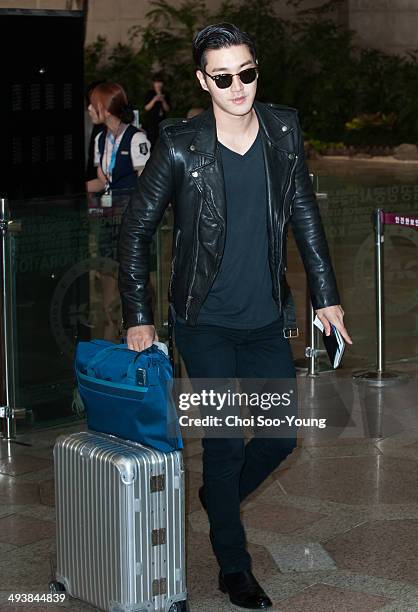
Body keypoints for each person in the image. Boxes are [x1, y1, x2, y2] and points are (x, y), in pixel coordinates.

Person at [118, 23, 352, 610]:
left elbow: (303, 214)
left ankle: (216, 498)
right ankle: (233, 567)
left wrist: (326, 294)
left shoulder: (282, 129)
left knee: (279, 438)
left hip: (267, 317)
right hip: (205, 322)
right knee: (223, 446)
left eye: (246, 72)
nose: (238, 86)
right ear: (203, 81)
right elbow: (136, 231)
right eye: (223, 77)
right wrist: (139, 315)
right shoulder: (179, 145)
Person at [87, 82, 151, 193]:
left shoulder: (136, 139)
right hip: (111, 207)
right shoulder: (100, 139)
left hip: (131, 206)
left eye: (93, 105)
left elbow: (146, 184)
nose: (89, 108)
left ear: (106, 111)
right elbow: (103, 183)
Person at [142, 73, 171, 149]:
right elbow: (146, 108)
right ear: (153, 83)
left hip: (162, 121)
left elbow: (167, 109)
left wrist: (163, 100)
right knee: (151, 142)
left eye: (160, 82)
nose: (158, 84)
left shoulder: (165, 94)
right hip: (151, 122)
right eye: (156, 82)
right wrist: (154, 99)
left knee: (161, 143)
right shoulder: (150, 93)